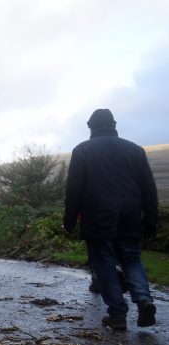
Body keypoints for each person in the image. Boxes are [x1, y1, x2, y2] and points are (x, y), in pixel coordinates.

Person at [63, 109, 159, 331]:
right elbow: (148, 187)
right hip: (130, 214)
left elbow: (74, 189)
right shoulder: (135, 150)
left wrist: (69, 220)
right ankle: (144, 299)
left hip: (97, 216)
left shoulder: (82, 150)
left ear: (91, 127)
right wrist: (151, 219)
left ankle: (117, 315)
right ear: (114, 125)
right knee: (132, 258)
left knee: (104, 262)